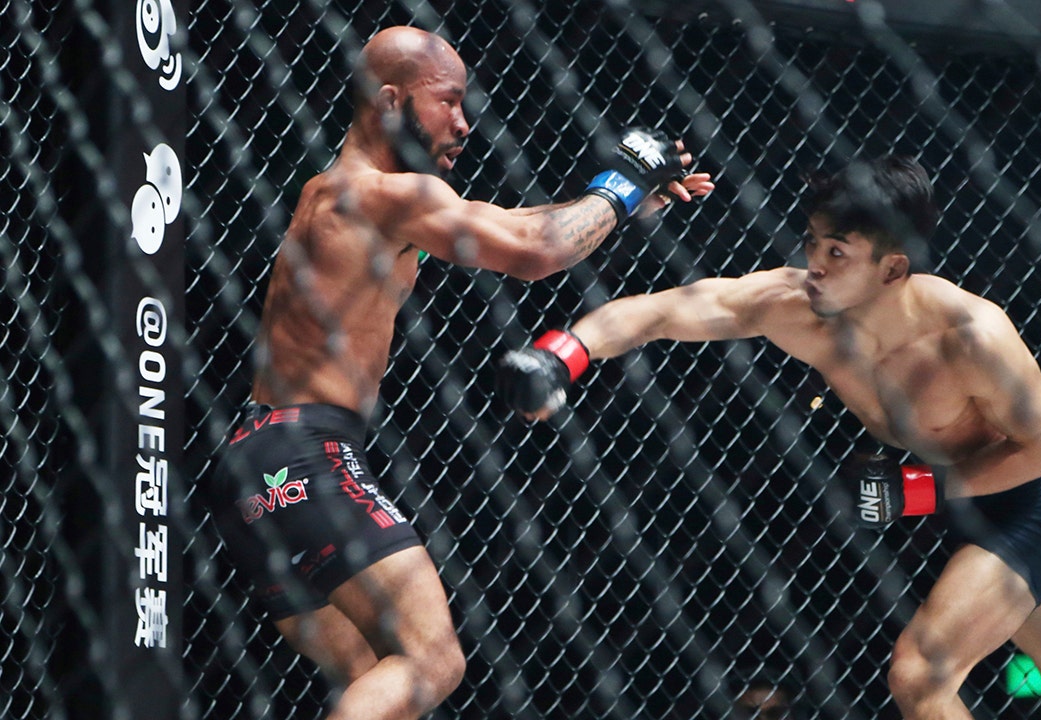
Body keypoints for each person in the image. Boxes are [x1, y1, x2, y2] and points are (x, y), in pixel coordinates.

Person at [496, 155, 1041, 719]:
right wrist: (562, 356)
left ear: (892, 268)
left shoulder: (971, 334)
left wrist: (915, 492)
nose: (815, 265)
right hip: (956, 497)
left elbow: (1040, 450)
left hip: (1039, 499)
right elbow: (661, 313)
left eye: (838, 253)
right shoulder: (796, 306)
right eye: (813, 243)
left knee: (920, 675)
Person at [206, 26, 714, 720]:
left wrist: (624, 200)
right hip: (305, 455)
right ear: (391, 100)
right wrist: (622, 185)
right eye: (447, 100)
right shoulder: (391, 195)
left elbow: (515, 220)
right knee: (432, 661)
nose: (464, 123)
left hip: (257, 458)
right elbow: (534, 251)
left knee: (373, 677)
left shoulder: (338, 192)